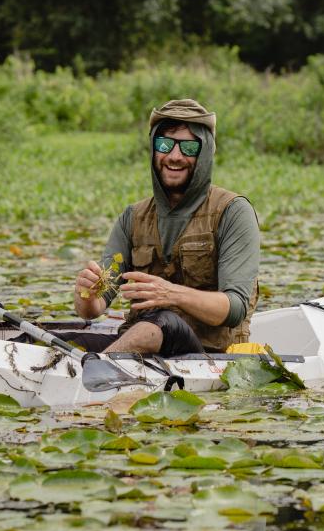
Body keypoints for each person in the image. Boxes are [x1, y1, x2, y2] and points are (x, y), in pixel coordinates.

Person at [71, 98, 260, 356]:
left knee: (160, 323)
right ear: (154, 149)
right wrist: (87, 296)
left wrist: (171, 294)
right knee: (50, 341)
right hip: (138, 346)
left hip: (206, 353)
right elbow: (94, 309)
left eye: (189, 148)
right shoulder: (132, 217)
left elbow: (234, 308)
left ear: (204, 154)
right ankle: (95, 367)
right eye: (164, 145)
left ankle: (95, 369)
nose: (174, 156)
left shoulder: (233, 212)